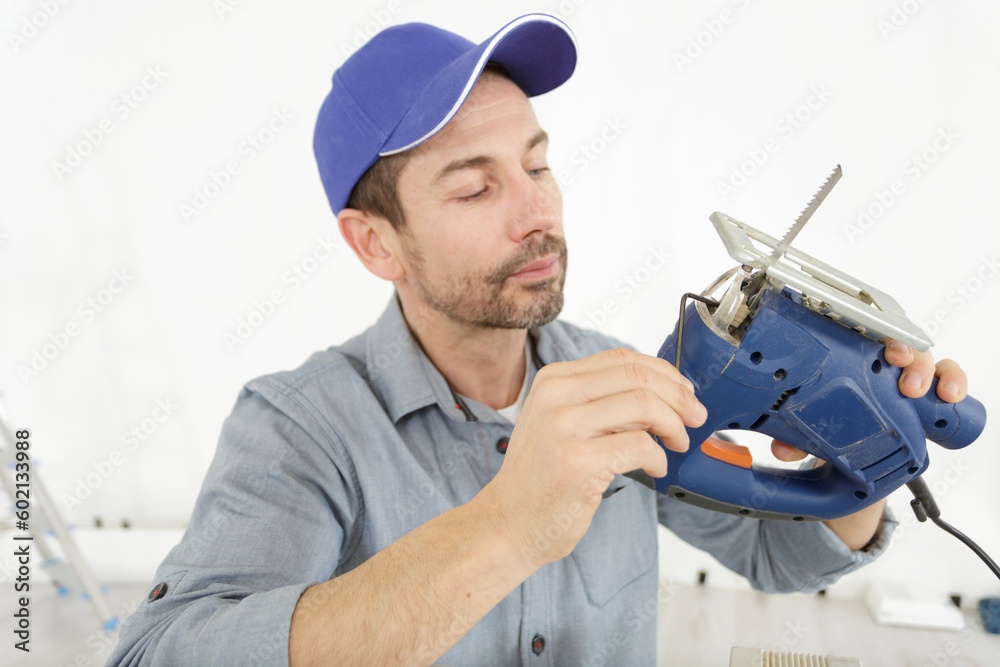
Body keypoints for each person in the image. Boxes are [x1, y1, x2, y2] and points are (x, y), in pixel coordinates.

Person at [107, 13, 969, 667]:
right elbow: (157, 653)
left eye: (536, 164)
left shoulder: (617, 378)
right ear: (375, 243)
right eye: (474, 189)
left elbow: (778, 556)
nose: (537, 212)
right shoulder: (297, 428)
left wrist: (864, 449)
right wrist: (506, 527)